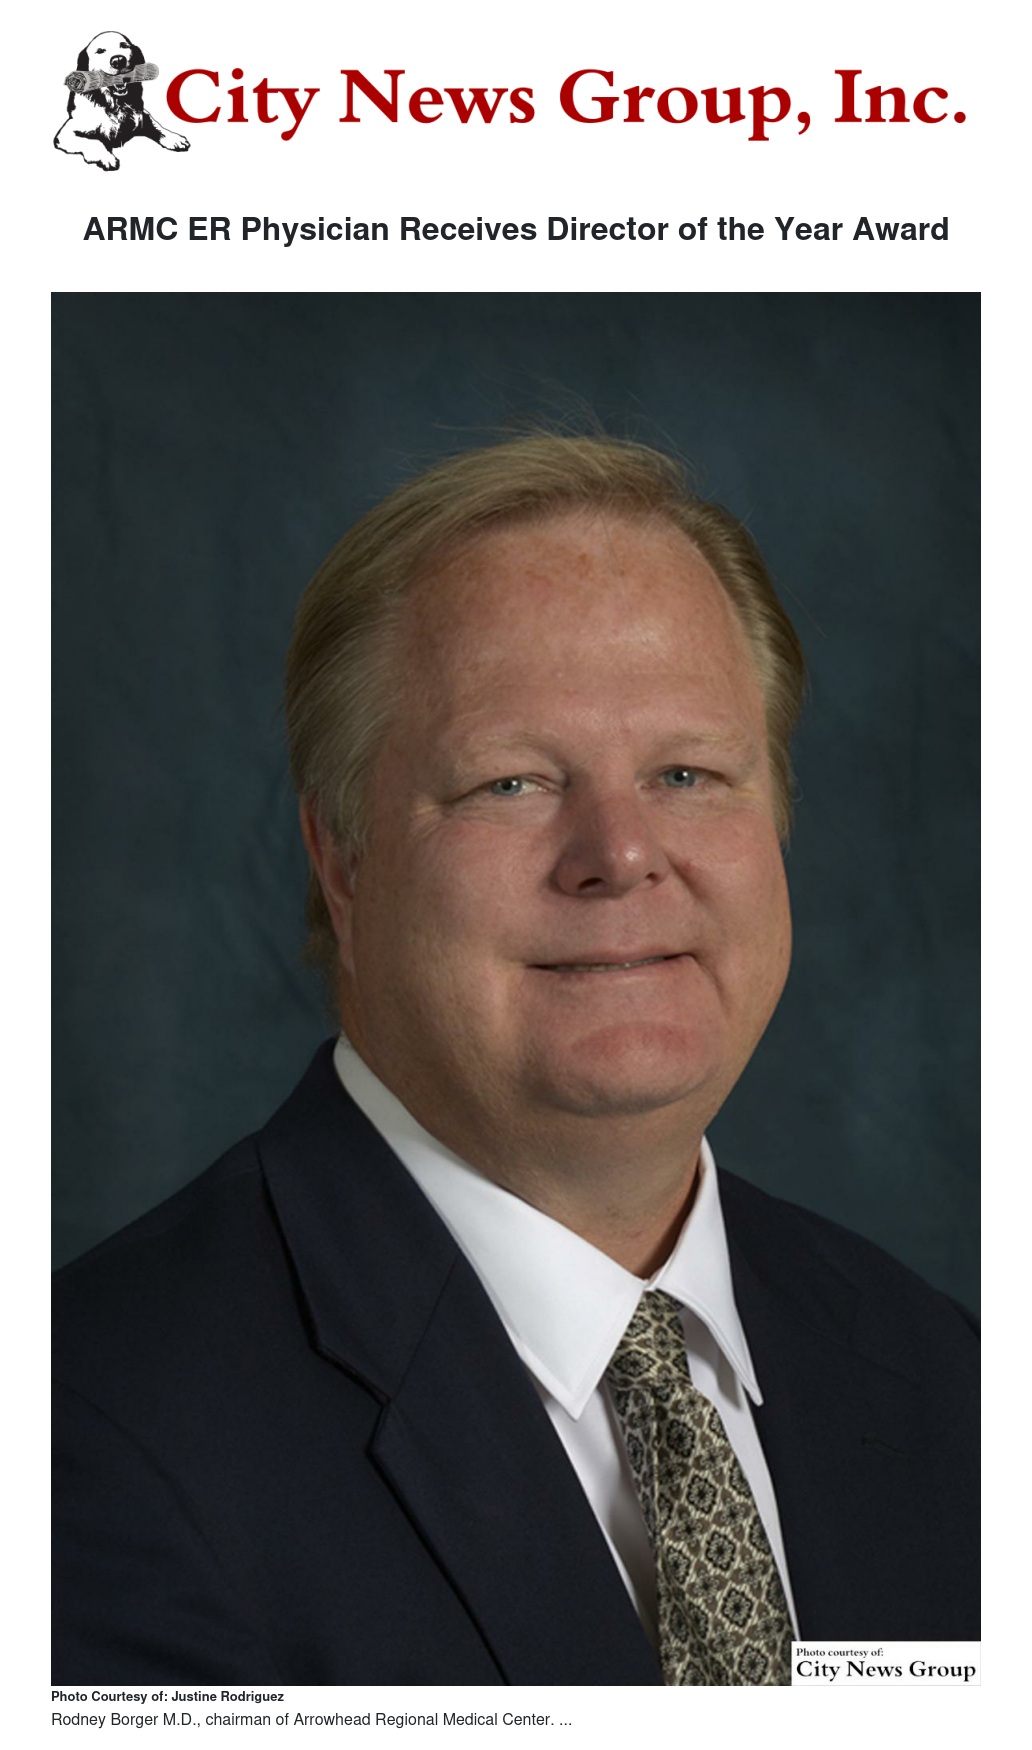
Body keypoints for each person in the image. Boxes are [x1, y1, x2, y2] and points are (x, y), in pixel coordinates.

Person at [52, 434, 978, 1685]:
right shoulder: (87, 1434)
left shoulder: (947, 1378)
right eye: (513, 782)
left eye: (689, 772)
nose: (622, 854)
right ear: (342, 858)